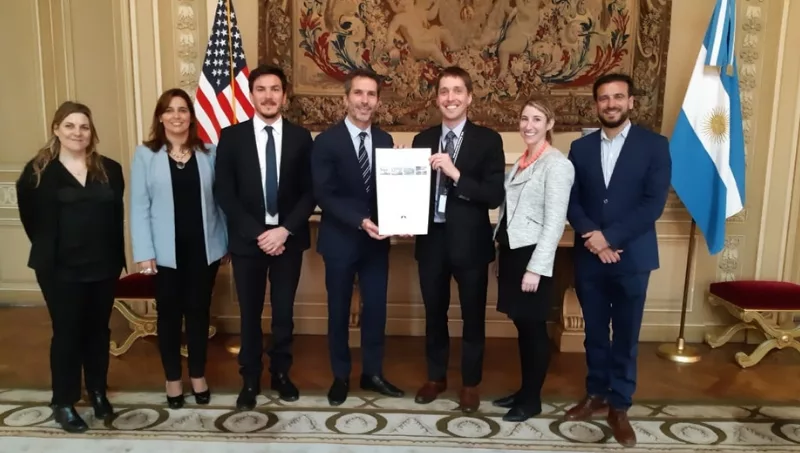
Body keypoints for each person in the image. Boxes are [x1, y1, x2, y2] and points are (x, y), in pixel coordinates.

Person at [564, 73, 671, 447]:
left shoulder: (654, 146)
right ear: (596, 104)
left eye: (618, 97)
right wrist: (593, 237)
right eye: (604, 98)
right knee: (594, 333)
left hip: (632, 257)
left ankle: (620, 405)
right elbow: (572, 200)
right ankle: (595, 394)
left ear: (630, 102)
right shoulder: (580, 148)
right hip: (590, 256)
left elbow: (652, 205)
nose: (611, 104)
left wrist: (609, 238)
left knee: (626, 336)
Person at [16, 101, 126, 432]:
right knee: (67, 333)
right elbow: (30, 219)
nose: (77, 132)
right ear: (56, 129)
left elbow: (114, 216)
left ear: (91, 132)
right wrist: (54, 248)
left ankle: (97, 391)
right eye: (70, 126)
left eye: (84, 127)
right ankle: (63, 401)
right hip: (59, 269)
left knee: (99, 331)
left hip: (103, 266)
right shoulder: (38, 172)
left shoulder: (110, 169)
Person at [215, 64, 316, 410]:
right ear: (251, 95)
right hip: (249, 242)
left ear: (284, 96)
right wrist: (260, 233)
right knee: (250, 314)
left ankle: (281, 374)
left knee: (283, 313)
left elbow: (310, 191)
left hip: (288, 240)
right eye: (261, 89)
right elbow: (225, 193)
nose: (268, 96)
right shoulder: (232, 137)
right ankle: (250, 378)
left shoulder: (301, 138)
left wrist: (284, 230)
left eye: (275, 89)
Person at [411, 66, 506, 413]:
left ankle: (470, 383)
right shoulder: (422, 140)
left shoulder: (488, 140)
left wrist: (456, 174)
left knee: (472, 317)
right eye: (444, 91)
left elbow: (494, 195)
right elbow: (412, 191)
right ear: (437, 99)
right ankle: (436, 378)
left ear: (469, 98)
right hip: (431, 242)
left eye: (457, 91)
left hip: (471, 245)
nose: (450, 98)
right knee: (434, 315)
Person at [311, 68, 405, 406]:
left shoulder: (385, 141)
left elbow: (390, 193)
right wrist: (360, 220)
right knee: (338, 311)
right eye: (358, 93)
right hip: (340, 241)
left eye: (371, 95)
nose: (365, 101)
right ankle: (340, 376)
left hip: (375, 244)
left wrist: (402, 177)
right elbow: (324, 194)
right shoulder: (326, 142)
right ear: (346, 98)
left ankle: (372, 373)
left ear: (377, 101)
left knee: (376, 310)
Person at [130, 88, 228, 409]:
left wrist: (225, 242)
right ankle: (173, 379)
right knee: (169, 317)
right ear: (160, 117)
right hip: (164, 254)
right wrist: (144, 252)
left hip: (204, 250)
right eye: (170, 110)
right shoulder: (145, 155)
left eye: (183, 109)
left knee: (198, 314)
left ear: (191, 116)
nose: (176, 116)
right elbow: (139, 206)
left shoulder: (209, 153)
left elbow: (221, 203)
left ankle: (198, 375)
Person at [491, 99, 574, 422]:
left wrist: (535, 269)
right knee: (523, 325)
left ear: (549, 124)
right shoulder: (522, 161)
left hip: (532, 257)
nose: (529, 125)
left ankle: (532, 400)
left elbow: (554, 223)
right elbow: (508, 211)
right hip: (513, 253)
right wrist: (501, 253)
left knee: (534, 328)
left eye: (537, 119)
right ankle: (524, 391)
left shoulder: (557, 165)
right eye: (524, 118)